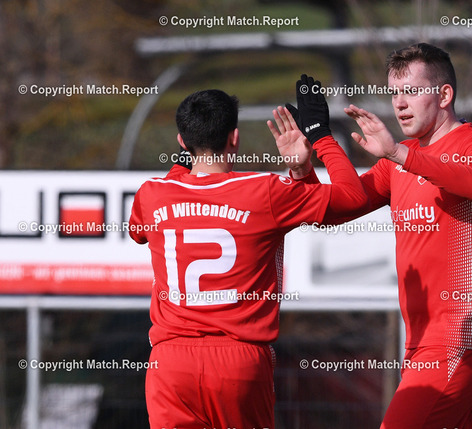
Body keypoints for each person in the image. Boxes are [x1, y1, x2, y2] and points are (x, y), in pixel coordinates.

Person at [288, 43, 472, 428]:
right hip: (421, 341)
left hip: (461, 336)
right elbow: (336, 208)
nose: (400, 103)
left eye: (412, 91)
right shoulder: (399, 160)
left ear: (444, 95)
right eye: (394, 93)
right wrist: (315, 150)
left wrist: (397, 154)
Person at [128, 86, 366, 429]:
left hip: (170, 362)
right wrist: (320, 139)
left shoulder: (152, 194)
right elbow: (353, 198)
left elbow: (141, 228)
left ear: (181, 141)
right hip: (238, 361)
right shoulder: (264, 191)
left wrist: (186, 161)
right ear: (235, 138)